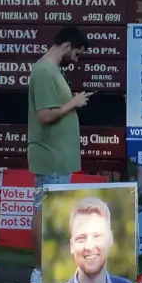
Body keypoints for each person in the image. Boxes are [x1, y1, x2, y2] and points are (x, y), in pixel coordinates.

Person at [38, 198, 135, 283]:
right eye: (81, 238)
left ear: (110, 239)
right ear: (72, 246)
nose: (89, 246)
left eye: (97, 236)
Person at [28, 26, 90, 188]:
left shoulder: (53, 71)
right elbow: (45, 115)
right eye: (77, 54)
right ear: (66, 46)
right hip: (52, 161)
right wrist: (73, 103)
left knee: (43, 211)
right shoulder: (44, 72)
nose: (76, 60)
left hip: (58, 161)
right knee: (47, 212)